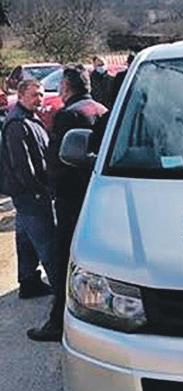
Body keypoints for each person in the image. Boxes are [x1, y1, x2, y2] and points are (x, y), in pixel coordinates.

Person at [27, 65, 107, 342]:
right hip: (96, 195)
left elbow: (57, 160)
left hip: (71, 200)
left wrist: (51, 189)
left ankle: (57, 322)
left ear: (66, 87)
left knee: (66, 259)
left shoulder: (68, 115)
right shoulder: (101, 110)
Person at [0, 79, 58, 300]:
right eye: (34, 95)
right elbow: (22, 167)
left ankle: (29, 283)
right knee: (48, 245)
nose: (39, 99)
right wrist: (40, 191)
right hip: (31, 195)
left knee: (25, 241)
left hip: (28, 195)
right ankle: (61, 292)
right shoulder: (17, 124)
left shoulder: (29, 118)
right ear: (21, 95)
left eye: (41, 95)